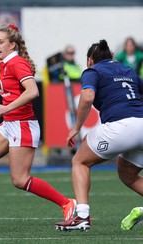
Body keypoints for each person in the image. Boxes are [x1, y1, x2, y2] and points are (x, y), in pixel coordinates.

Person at [0, 24, 76, 225]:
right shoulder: (4, 63)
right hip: (10, 124)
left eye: (0, 42)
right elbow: (11, 95)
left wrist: (4, 109)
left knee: (20, 180)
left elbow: (32, 92)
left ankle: (67, 203)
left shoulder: (16, 63)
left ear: (12, 45)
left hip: (23, 125)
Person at [55, 40, 143, 231]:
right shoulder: (127, 70)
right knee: (127, 174)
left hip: (121, 126)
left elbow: (87, 97)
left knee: (80, 161)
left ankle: (82, 216)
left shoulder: (92, 71)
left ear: (89, 60)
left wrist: (77, 127)